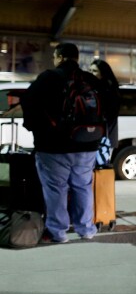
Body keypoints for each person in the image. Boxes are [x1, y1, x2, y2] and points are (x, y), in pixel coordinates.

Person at [21, 42, 103, 243]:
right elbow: (108, 104)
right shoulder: (89, 79)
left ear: (59, 57)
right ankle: (86, 229)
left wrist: (33, 129)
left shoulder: (48, 78)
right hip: (87, 144)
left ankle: (58, 232)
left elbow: (29, 104)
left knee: (56, 189)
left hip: (53, 146)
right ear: (76, 58)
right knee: (83, 186)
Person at [89, 59, 120, 168]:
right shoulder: (95, 88)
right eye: (90, 70)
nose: (91, 73)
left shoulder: (107, 89)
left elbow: (109, 114)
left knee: (99, 166)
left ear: (103, 73)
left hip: (103, 136)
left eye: (95, 71)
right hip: (101, 135)